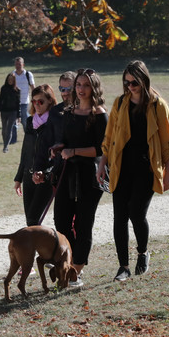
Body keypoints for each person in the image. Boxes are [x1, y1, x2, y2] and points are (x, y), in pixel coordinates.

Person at [97, 60, 169, 282]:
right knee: (119, 217)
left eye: (134, 82)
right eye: (126, 82)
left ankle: (143, 252)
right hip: (121, 167)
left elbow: (167, 142)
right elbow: (109, 137)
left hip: (146, 167)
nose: (130, 86)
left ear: (143, 80)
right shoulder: (120, 103)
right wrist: (102, 164)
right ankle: (123, 267)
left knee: (136, 213)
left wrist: (168, 171)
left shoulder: (157, 105)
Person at [50, 68, 108, 288]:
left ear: (94, 88)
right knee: (61, 221)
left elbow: (101, 149)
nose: (81, 89)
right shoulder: (70, 112)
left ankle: (77, 270)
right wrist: (59, 147)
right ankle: (68, 262)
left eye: (85, 85)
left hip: (90, 175)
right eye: (79, 85)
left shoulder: (100, 113)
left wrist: (74, 152)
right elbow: (66, 140)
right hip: (67, 173)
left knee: (84, 223)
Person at [14, 84, 58, 226]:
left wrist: (46, 173)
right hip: (28, 176)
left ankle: (44, 247)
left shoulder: (55, 121)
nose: (37, 105)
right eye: (34, 101)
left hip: (45, 178)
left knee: (34, 219)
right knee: (30, 222)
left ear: (50, 101)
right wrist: (19, 178)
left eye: (41, 101)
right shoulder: (30, 121)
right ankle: (33, 248)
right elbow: (25, 151)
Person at [10, 57, 35, 145]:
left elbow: (33, 87)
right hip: (14, 102)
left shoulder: (28, 74)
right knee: (13, 120)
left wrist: (34, 99)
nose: (18, 66)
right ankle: (13, 139)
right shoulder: (12, 74)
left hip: (24, 102)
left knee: (25, 120)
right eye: (16, 64)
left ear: (23, 65)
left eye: (19, 64)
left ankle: (28, 136)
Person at [48, 71, 77, 143]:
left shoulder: (86, 111)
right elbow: (48, 141)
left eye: (69, 89)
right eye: (62, 89)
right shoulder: (54, 111)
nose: (65, 93)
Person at [0, 73, 20, 153]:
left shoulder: (17, 90)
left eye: (12, 80)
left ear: (14, 80)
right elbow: (0, 100)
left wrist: (19, 116)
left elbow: (18, 104)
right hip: (4, 111)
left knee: (9, 129)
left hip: (13, 112)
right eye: (9, 79)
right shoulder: (3, 88)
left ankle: (6, 146)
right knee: (4, 129)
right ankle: (5, 143)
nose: (10, 81)